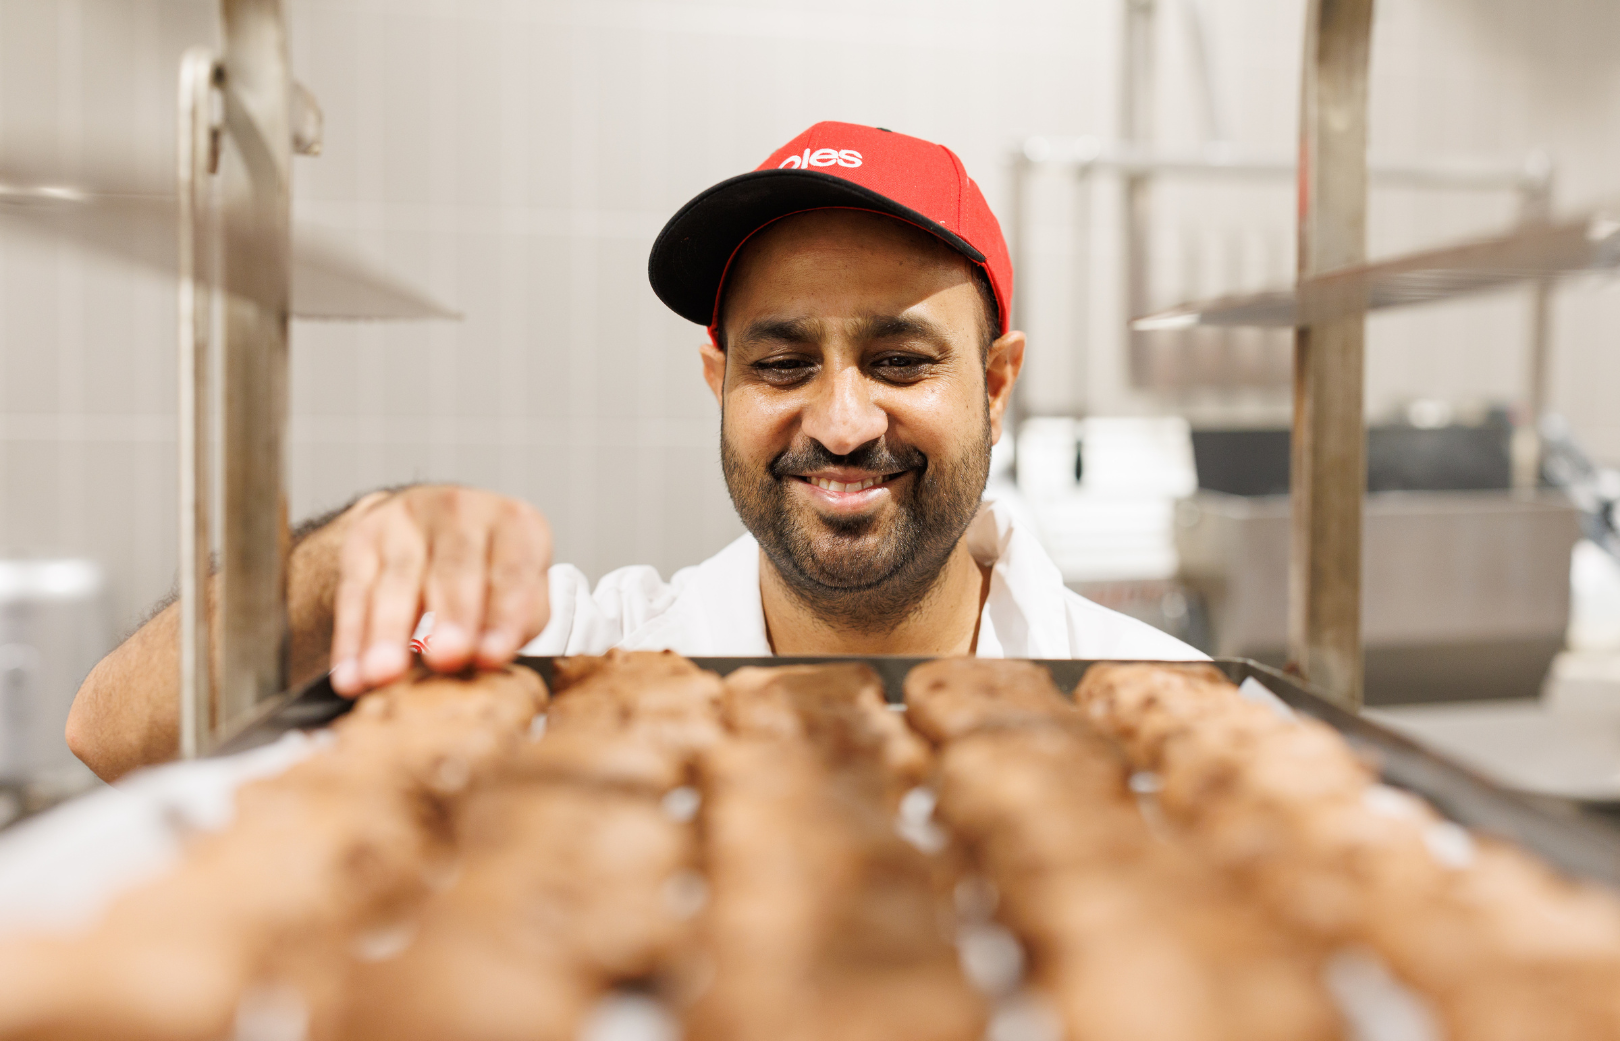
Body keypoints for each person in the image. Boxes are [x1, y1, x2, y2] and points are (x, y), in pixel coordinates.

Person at [67, 121, 1202, 782]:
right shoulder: (557, 668)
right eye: (781, 363)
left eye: (902, 361)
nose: (844, 422)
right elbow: (119, 738)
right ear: (719, 383)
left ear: (996, 382)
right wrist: (352, 556)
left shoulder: (1168, 711)